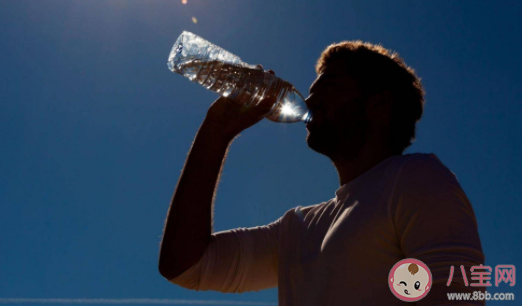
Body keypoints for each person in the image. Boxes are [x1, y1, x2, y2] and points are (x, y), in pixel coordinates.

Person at [158, 41, 486, 305]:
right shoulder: (297, 229)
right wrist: (216, 132)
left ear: (378, 105)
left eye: (329, 86)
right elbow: (186, 266)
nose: (310, 98)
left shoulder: (417, 177)